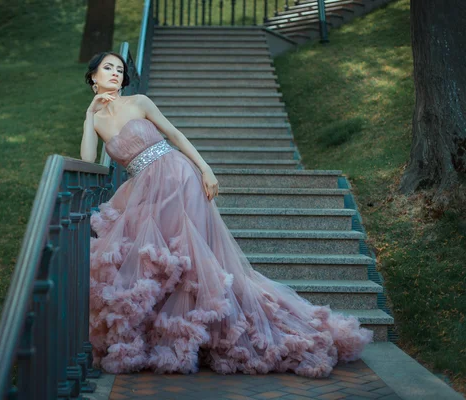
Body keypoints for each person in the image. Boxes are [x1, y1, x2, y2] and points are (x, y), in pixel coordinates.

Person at [80, 51, 373, 378]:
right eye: (108, 68)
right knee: (162, 261)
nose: (116, 73)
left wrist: (206, 169)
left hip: (177, 177)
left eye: (120, 69)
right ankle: (181, 333)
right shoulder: (97, 119)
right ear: (93, 76)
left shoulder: (140, 102)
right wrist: (89, 116)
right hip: (143, 190)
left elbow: (175, 136)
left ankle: (214, 331)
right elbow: (90, 160)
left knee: (189, 252)